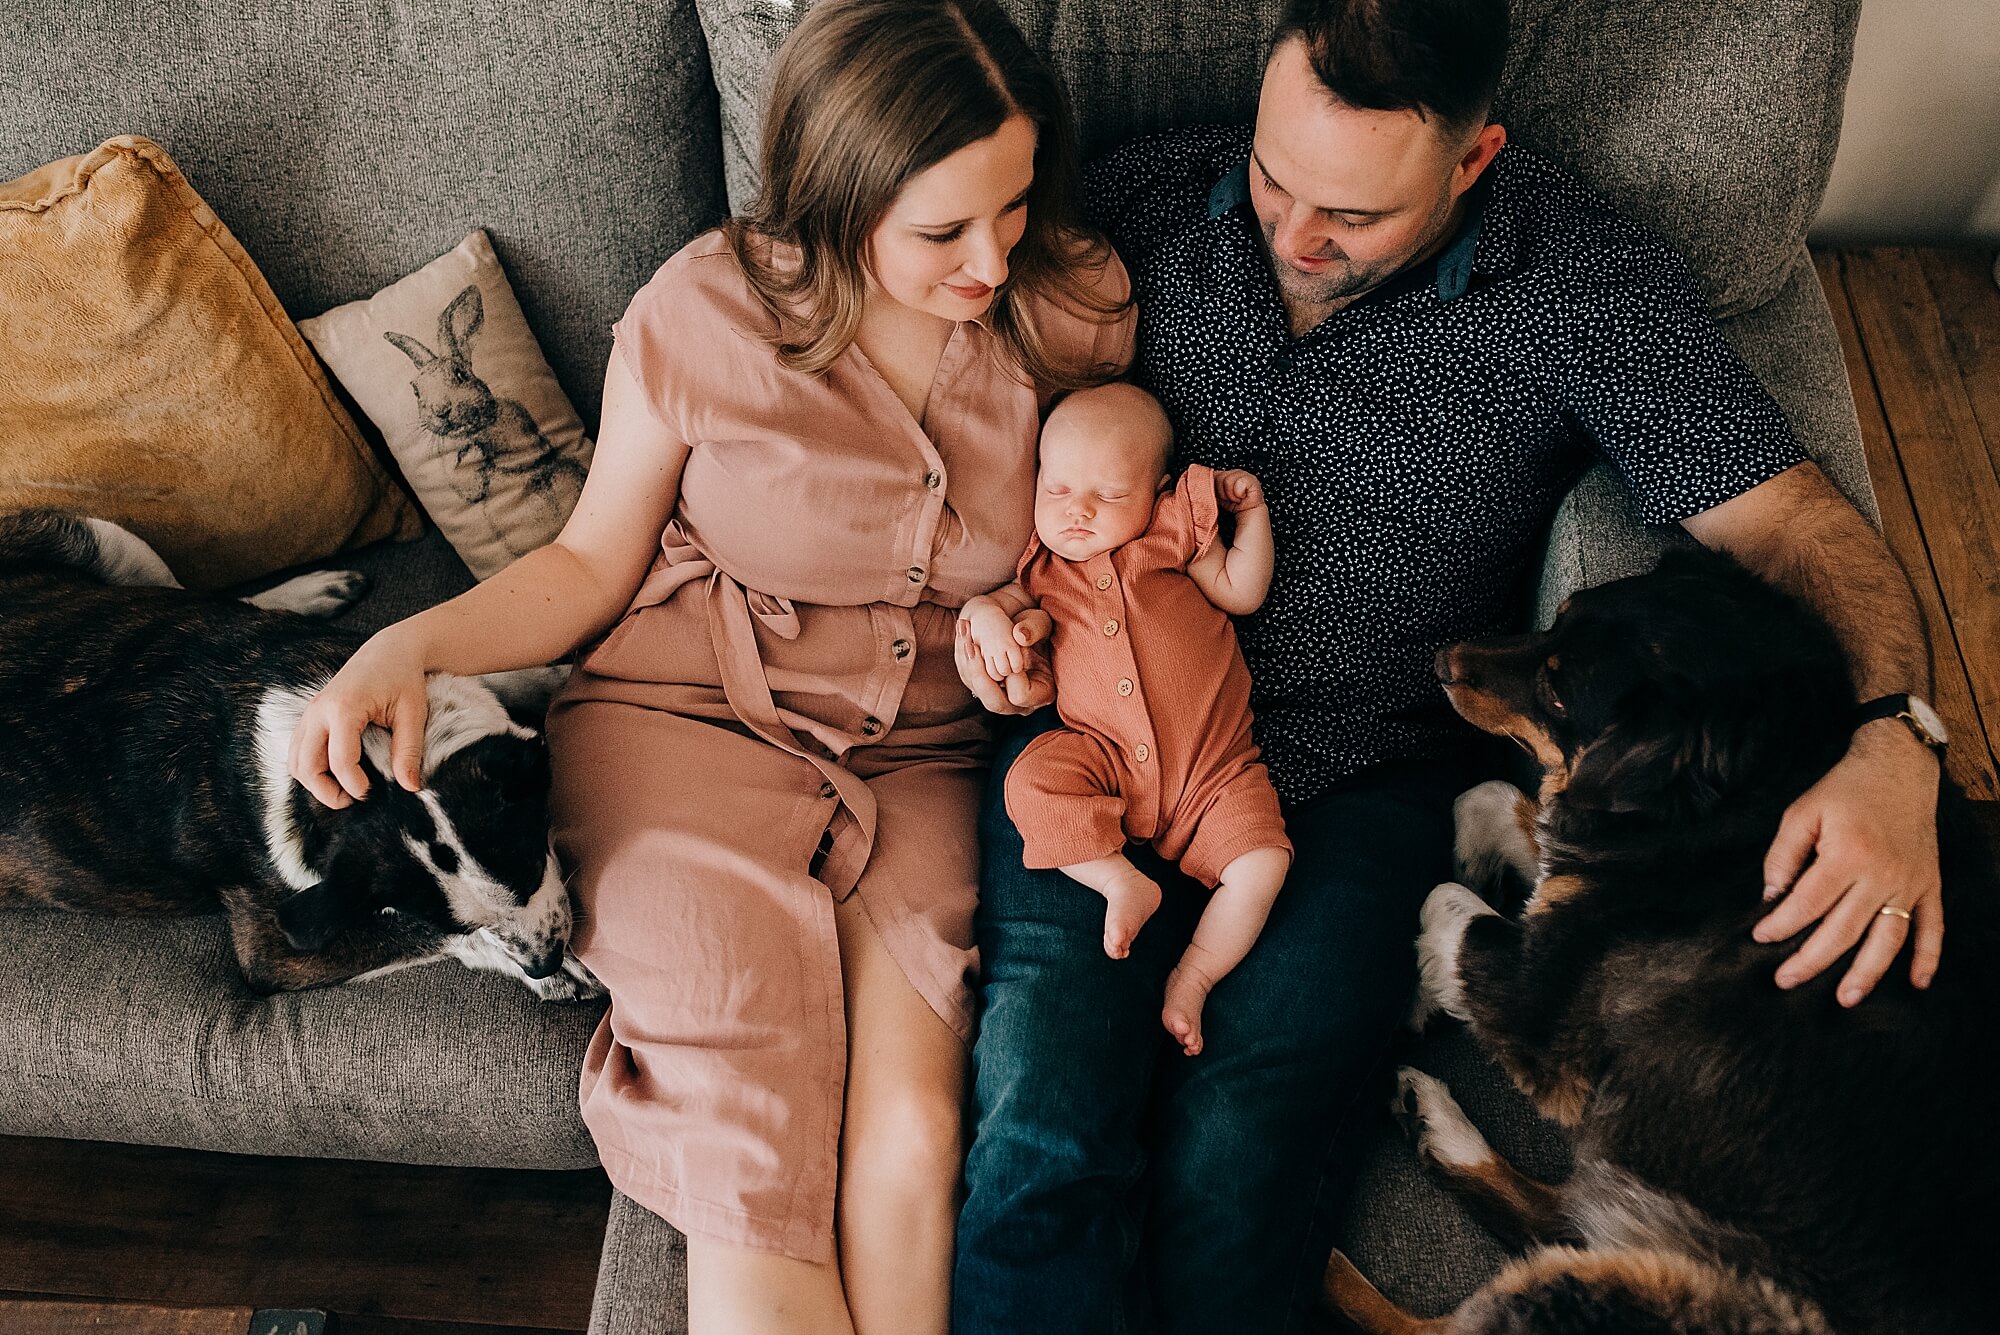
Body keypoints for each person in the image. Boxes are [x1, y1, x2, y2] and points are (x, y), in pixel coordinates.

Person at [950, 1, 1944, 1332]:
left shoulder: (1579, 283)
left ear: (1472, 161)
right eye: (1275, 179)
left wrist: (1895, 729)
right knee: (1041, 1138)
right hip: (1096, 751)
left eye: (1353, 219)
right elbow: (935, 367)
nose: (1295, 237)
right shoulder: (1143, 194)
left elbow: (1796, 523)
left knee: (1239, 1171)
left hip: (1361, 781)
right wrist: (985, 621)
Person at [287, 1, 1132, 1331]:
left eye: (1014, 206)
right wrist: (413, 638)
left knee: (913, 1131)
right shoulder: (705, 310)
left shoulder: (1074, 310)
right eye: (942, 231)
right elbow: (588, 566)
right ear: (837, 204)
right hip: (687, 720)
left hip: (916, 755)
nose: (990, 258)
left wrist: (1023, 619)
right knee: (755, 1139)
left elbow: (1091, 545)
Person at [956, 382, 1291, 1055]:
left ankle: (1193, 975)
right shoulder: (1042, 571)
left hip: (1214, 767)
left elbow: (1243, 591)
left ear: (1158, 492)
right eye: (1057, 490)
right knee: (1029, 781)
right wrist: (992, 626)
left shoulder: (1170, 535)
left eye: (1107, 495)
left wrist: (1251, 521)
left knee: (1265, 863)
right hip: (1101, 756)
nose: (1077, 511)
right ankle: (1116, 878)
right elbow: (982, 608)